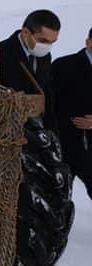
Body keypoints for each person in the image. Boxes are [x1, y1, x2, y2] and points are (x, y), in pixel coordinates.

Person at [0, 9, 60, 131]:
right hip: (6, 131)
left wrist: (52, 131)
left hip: (36, 130)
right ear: (25, 32)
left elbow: (45, 90)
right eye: (43, 41)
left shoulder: (45, 56)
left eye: (52, 42)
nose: (47, 46)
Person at [52, 26, 92, 199]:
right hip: (65, 142)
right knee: (58, 196)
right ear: (88, 42)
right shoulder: (63, 65)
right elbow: (50, 103)